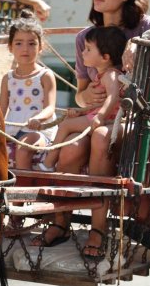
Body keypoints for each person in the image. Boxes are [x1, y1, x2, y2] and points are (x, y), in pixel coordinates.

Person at [35, 0, 150, 253]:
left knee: (101, 137)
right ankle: (60, 221)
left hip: (138, 116)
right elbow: (80, 94)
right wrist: (87, 100)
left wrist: (144, 40)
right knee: (69, 148)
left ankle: (98, 228)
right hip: (99, 114)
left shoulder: (143, 25)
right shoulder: (86, 38)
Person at [37, 27, 127, 182]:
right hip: (99, 116)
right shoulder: (103, 75)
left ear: (105, 57)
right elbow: (99, 103)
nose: (83, 52)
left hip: (105, 119)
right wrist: (81, 112)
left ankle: (48, 162)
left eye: (88, 49)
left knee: (65, 125)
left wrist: (100, 116)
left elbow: (113, 97)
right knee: (68, 121)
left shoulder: (111, 75)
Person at [0, 9, 57, 170]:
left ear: (41, 47)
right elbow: (1, 109)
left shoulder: (45, 75)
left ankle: (23, 191)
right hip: (12, 129)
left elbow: (50, 107)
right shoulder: (8, 78)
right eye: (19, 43)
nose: (25, 49)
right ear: (10, 47)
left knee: (24, 150)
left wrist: (38, 119)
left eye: (31, 43)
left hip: (38, 130)